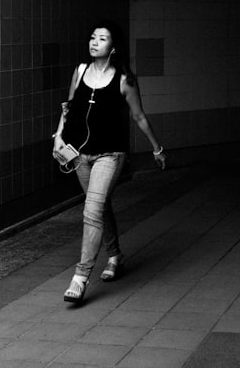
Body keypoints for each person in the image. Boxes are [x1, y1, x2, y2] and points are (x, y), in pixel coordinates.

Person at [53, 20, 167, 303]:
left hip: (110, 155)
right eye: (92, 37)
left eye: (102, 39)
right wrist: (58, 137)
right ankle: (115, 256)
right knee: (100, 207)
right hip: (79, 153)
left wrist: (156, 148)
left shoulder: (124, 80)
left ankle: (80, 277)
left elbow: (139, 117)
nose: (94, 42)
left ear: (113, 48)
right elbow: (68, 107)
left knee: (91, 210)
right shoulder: (80, 72)